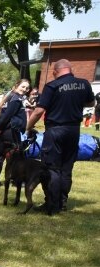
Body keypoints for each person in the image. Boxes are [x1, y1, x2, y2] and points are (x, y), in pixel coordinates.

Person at [25, 59, 95, 214]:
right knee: (67, 168)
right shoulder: (84, 83)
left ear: (56, 71)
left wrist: (28, 127)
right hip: (74, 130)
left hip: (55, 130)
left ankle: (52, 203)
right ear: (70, 69)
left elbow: (38, 111)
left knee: (51, 168)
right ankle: (63, 202)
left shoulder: (52, 86)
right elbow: (91, 103)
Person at [0, 79, 29, 187]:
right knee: (16, 155)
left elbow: (4, 114)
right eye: (23, 87)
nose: (25, 89)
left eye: (26, 88)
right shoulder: (16, 99)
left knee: (0, 154)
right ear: (16, 85)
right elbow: (7, 116)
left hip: (6, 130)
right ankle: (16, 181)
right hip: (10, 130)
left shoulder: (10, 96)